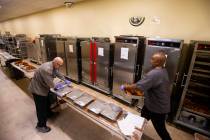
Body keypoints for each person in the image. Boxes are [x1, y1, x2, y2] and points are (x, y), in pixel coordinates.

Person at [122, 51, 172, 140]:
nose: (150, 60)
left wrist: (125, 86)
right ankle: (134, 136)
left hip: (157, 108)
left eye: (152, 59)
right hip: (150, 104)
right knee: (141, 121)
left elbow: (138, 87)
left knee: (161, 130)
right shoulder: (163, 70)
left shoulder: (154, 74)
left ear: (157, 62)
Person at [29, 57, 71, 133]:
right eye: (60, 65)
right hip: (38, 89)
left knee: (47, 101)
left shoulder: (52, 64)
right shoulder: (47, 69)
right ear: (55, 63)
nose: (60, 67)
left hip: (43, 87)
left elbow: (57, 72)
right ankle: (40, 126)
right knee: (41, 108)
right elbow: (51, 84)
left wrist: (64, 79)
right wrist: (58, 86)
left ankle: (48, 113)